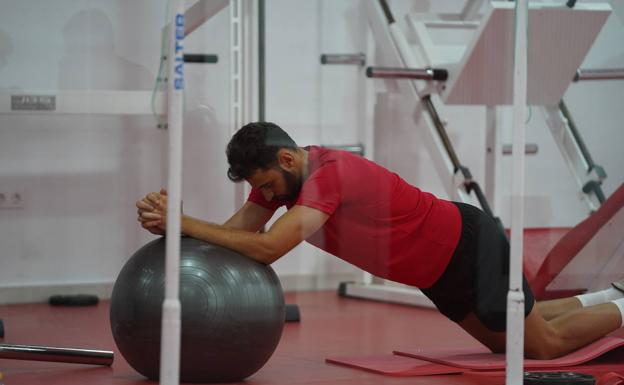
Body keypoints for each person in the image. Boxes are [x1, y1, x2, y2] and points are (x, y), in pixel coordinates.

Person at [137, 121, 624, 360]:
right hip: (435, 276)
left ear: (287, 160)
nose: (263, 197)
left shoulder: (330, 174)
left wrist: (187, 226)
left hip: (469, 249)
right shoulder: (282, 179)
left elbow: (268, 248)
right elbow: (240, 233)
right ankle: (606, 296)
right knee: (511, 340)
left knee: (542, 347)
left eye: (265, 185)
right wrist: (177, 222)